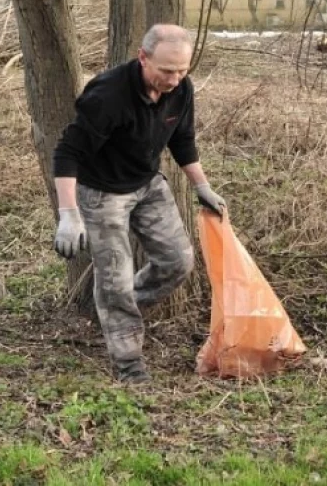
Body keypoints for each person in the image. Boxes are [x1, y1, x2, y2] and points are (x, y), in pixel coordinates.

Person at [51, 24, 226, 384]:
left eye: (182, 70)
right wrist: (69, 214)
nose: (175, 79)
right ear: (143, 58)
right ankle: (129, 364)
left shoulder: (181, 89)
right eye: (166, 71)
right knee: (113, 279)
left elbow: (183, 140)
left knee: (178, 261)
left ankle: (119, 312)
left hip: (147, 184)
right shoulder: (108, 95)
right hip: (101, 194)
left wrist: (202, 185)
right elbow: (68, 152)